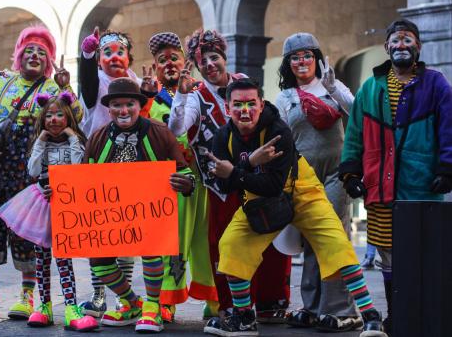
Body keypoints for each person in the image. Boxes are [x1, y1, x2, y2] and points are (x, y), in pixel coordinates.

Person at [209, 78, 387, 337]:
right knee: (231, 244)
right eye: (238, 104)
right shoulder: (223, 137)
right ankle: (245, 317)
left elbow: (271, 183)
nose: (244, 110)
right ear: (228, 108)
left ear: (261, 104)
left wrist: (235, 171)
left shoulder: (278, 130)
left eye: (250, 103)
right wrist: (247, 165)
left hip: (303, 192)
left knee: (335, 243)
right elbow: (222, 187)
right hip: (258, 199)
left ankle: (370, 315)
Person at [0, 26, 81, 319]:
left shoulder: (51, 88)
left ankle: (27, 297)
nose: (34, 55)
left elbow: (77, 117)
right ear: (19, 55)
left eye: (42, 52)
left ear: (48, 60)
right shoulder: (1, 79)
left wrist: (66, 87)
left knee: (28, 229)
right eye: (29, 50)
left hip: (31, 165)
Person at [168, 29, 291, 330]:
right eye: (203, 60)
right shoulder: (195, 96)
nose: (210, 64)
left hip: (257, 179)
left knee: (269, 238)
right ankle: (231, 307)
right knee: (224, 246)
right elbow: (176, 127)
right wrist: (182, 94)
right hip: (221, 186)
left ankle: (269, 302)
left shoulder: (243, 85)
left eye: (215, 57)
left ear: (224, 58)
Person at [340, 18, 452, 335]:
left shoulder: (436, 83)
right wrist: (350, 171)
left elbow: (449, 129)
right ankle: (396, 315)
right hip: (380, 187)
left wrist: (447, 167)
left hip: (422, 186)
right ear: (387, 47)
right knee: (388, 257)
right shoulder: (371, 88)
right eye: (396, 40)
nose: (401, 45)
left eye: (407, 40)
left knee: (425, 254)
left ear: (418, 47)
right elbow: (355, 134)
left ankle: (426, 316)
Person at [85, 77, 195, 333]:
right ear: (109, 108)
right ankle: (132, 303)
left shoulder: (159, 132)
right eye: (117, 105)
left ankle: (153, 308)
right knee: (99, 261)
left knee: (151, 249)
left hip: (150, 213)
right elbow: (83, 180)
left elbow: (185, 172)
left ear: (138, 105)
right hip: (111, 214)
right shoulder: (98, 137)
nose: (123, 111)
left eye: (129, 104)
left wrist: (185, 183)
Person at [276, 33, 361, 331]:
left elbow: (357, 112)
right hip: (304, 176)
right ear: (289, 64)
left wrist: (333, 89)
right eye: (295, 57)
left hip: (336, 173)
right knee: (311, 237)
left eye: (307, 55)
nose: (302, 61)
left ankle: (342, 309)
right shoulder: (285, 97)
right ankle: (312, 305)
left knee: (333, 236)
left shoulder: (333, 86)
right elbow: (282, 139)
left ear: (316, 58)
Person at [0, 93, 98, 331]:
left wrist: (73, 137)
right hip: (42, 203)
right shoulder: (40, 143)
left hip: (66, 206)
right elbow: (32, 170)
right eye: (49, 115)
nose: (54, 119)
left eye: (59, 114)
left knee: (64, 258)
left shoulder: (75, 141)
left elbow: (77, 168)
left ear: (69, 118)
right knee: (41, 257)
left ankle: (71, 306)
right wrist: (40, 141)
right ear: (42, 120)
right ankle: (44, 306)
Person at [145, 32, 217, 323]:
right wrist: (146, 97)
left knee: (207, 241)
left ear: (185, 62)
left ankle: (214, 299)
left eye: (174, 58)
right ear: (156, 67)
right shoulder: (151, 99)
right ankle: (167, 301)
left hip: (206, 180)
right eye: (162, 61)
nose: (169, 64)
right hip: (171, 183)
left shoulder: (201, 92)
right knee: (171, 244)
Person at [77, 27, 145, 316]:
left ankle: (125, 297)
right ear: (99, 59)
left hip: (131, 167)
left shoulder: (138, 83)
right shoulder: (96, 81)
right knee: (98, 236)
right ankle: (99, 294)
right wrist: (87, 51)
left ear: (129, 57)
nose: (114, 57)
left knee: (126, 237)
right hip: (99, 165)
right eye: (107, 52)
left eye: (120, 51)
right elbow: (86, 77)